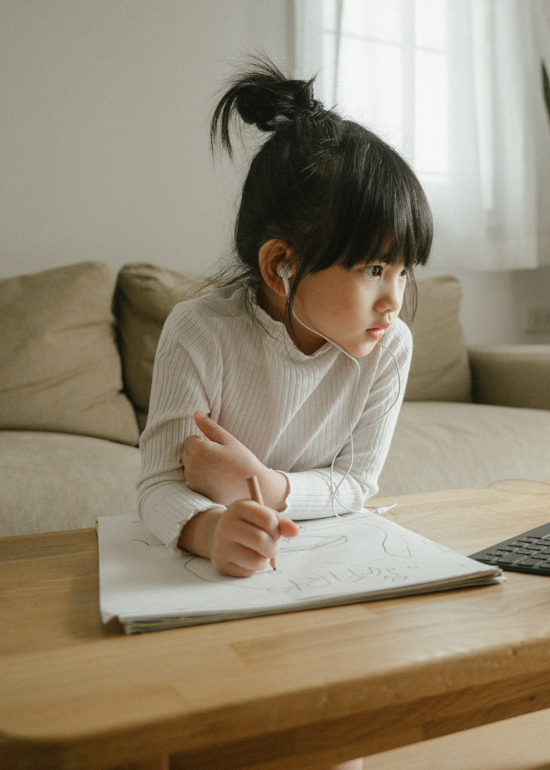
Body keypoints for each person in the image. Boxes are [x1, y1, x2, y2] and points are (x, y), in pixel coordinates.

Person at [138, 56, 433, 588]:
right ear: (282, 265)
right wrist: (211, 531)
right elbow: (159, 485)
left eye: (403, 271)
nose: (394, 300)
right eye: (373, 268)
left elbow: (356, 481)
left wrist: (261, 484)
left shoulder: (390, 345)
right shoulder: (200, 332)